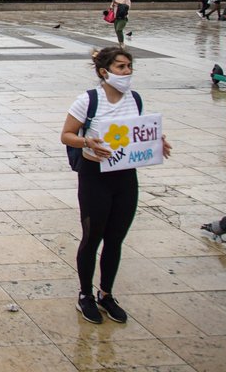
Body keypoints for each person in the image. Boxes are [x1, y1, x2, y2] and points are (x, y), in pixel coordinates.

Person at [60, 47, 171, 325]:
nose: (126, 72)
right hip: (94, 175)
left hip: (124, 175)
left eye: (129, 66)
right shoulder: (88, 100)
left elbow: (136, 132)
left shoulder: (134, 99)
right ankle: (85, 294)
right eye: (120, 67)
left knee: (115, 238)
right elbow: (67, 135)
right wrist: (87, 141)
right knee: (92, 236)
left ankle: (106, 293)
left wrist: (156, 140)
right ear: (104, 72)